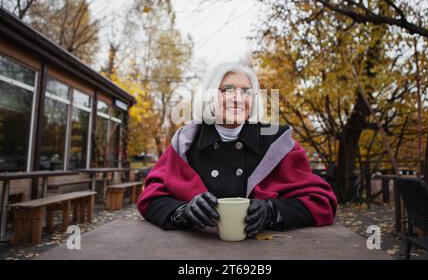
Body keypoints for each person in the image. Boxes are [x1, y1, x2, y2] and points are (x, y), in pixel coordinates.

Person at [137, 63, 337, 237]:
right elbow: (150, 197)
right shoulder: (185, 142)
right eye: (227, 90)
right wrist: (183, 212)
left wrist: (271, 211)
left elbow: (322, 202)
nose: (238, 98)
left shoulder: (277, 143)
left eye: (246, 91)